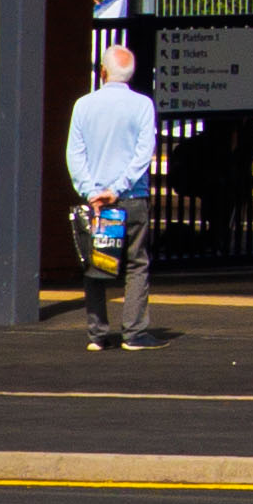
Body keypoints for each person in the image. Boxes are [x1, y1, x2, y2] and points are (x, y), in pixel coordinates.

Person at [64, 38, 161, 351]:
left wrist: (92, 191)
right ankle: (134, 332)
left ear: (102, 71)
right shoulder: (143, 105)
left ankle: (97, 333)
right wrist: (117, 188)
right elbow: (144, 153)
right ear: (130, 74)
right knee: (136, 264)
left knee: (96, 264)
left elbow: (75, 154)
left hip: (94, 202)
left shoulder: (83, 105)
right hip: (131, 197)